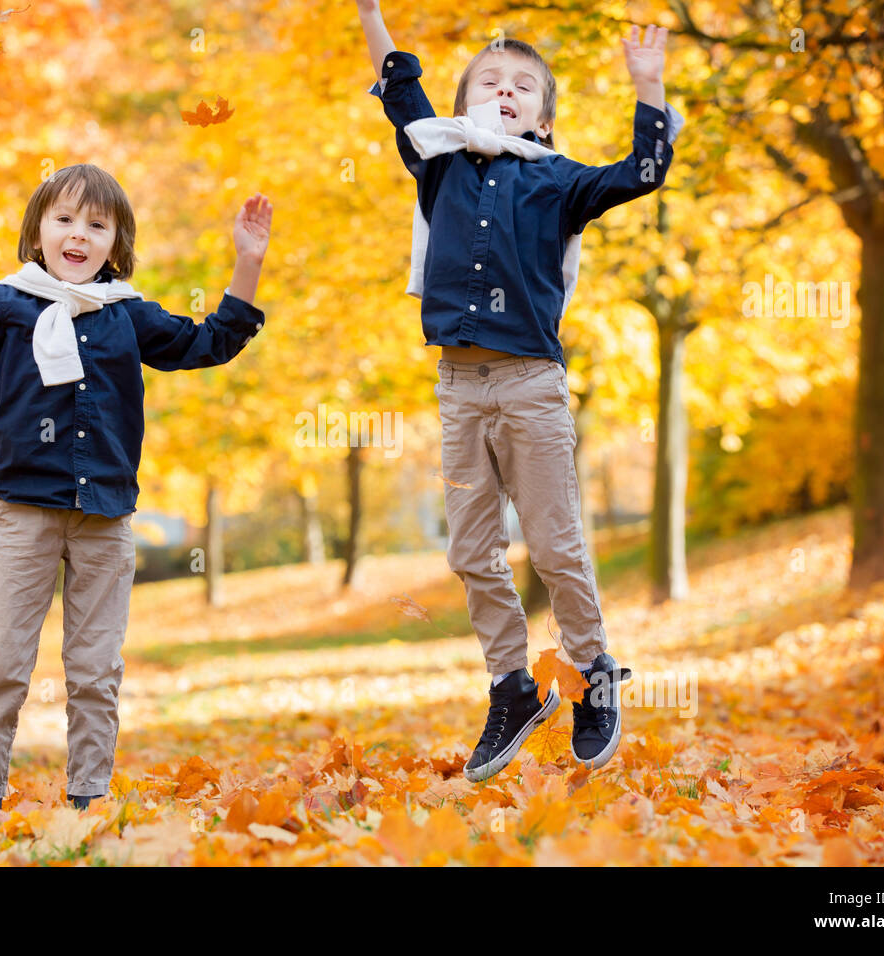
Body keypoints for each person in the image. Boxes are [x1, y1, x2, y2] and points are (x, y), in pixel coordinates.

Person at [0, 164, 272, 810]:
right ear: (38, 230)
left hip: (105, 517)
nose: (78, 233)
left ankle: (89, 795)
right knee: (1, 664)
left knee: (95, 670)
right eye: (64, 219)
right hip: (25, 513)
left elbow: (211, 342)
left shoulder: (128, 315)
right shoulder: (6, 304)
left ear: (116, 241)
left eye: (97, 223)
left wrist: (246, 262)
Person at [354, 1, 683, 780]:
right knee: (470, 550)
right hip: (459, 388)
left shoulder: (557, 182)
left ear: (542, 118)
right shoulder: (435, 160)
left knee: (556, 542)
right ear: (465, 99)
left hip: (530, 385)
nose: (504, 91)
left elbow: (642, 173)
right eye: (489, 80)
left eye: (522, 87)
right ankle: (512, 686)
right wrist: (369, 11)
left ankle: (593, 674)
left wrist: (649, 88)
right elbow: (400, 83)